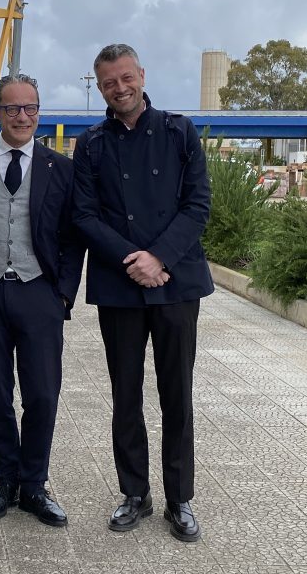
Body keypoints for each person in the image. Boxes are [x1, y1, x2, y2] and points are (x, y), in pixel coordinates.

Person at [72, 44, 214, 542]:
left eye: (126, 78)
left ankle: (180, 498)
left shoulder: (179, 131)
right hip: (120, 285)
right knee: (125, 394)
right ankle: (135, 493)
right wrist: (134, 260)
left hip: (176, 283)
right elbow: (84, 215)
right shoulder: (91, 144)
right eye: (109, 82)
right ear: (100, 87)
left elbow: (197, 204)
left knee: (177, 393)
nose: (120, 88)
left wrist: (160, 258)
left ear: (142, 76)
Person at [0, 74, 84, 527]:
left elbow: (73, 236)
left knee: (43, 394)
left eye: (30, 108)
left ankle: (34, 484)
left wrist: (63, 294)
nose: (22, 116)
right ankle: (5, 481)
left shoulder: (60, 167)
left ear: (39, 112)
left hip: (39, 293)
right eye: (12, 108)